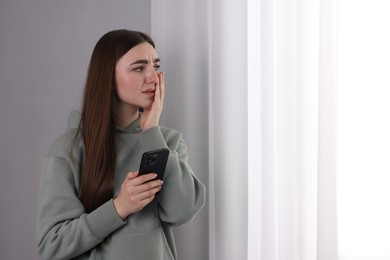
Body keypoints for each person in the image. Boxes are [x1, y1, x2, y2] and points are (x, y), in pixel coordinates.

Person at [36, 29, 206, 260]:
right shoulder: (68, 150)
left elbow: (183, 211)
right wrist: (119, 207)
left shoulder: (167, 141)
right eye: (139, 68)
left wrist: (151, 132)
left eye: (155, 67)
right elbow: (52, 247)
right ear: (108, 77)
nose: (153, 78)